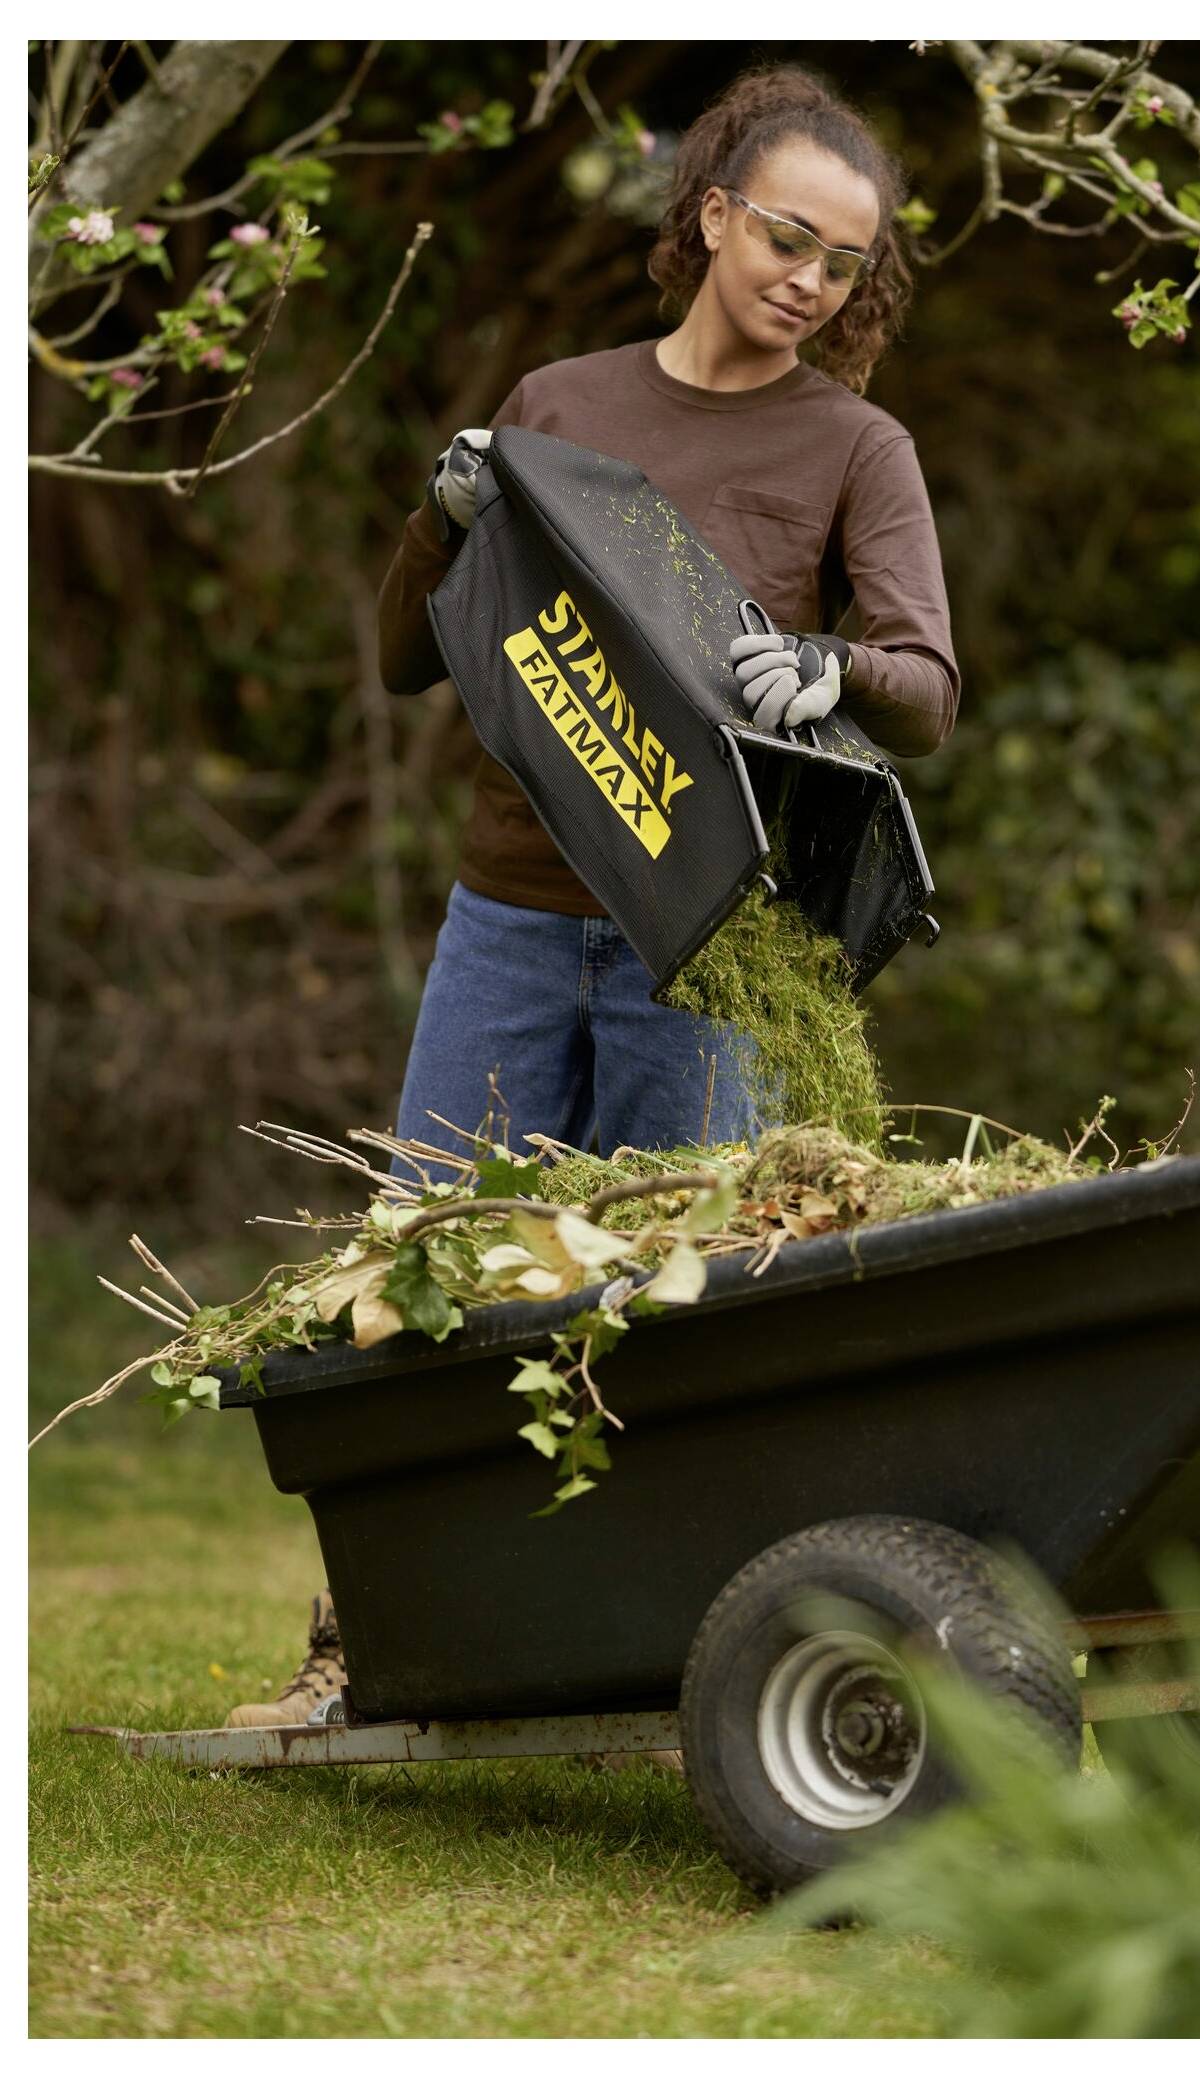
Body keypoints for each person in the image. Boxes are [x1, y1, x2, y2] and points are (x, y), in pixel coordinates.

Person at [226, 60, 960, 1732]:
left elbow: (926, 683)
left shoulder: (858, 446)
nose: (810, 278)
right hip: (508, 915)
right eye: (787, 236)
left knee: (671, 1301)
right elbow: (415, 655)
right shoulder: (561, 403)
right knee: (424, 1272)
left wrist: (825, 671)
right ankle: (361, 1649)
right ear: (712, 215)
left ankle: (682, 1666)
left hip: (707, 951)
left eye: (845, 262)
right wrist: (441, 515)